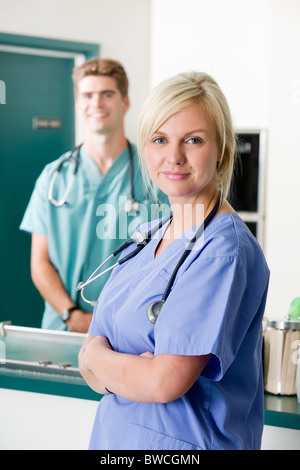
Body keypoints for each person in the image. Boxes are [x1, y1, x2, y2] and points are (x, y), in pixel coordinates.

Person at [78, 72, 270, 450]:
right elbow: (88, 366)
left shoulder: (222, 251)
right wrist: (115, 364)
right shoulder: (146, 236)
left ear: (222, 150)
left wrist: (102, 358)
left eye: (193, 140)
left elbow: (162, 383)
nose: (174, 157)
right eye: (160, 139)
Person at [20, 58, 168, 333]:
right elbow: (39, 262)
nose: (96, 103)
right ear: (78, 104)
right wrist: (71, 315)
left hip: (130, 330)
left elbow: (171, 254)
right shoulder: (53, 177)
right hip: (64, 329)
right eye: (88, 95)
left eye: (107, 94)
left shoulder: (156, 174)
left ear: (125, 103)